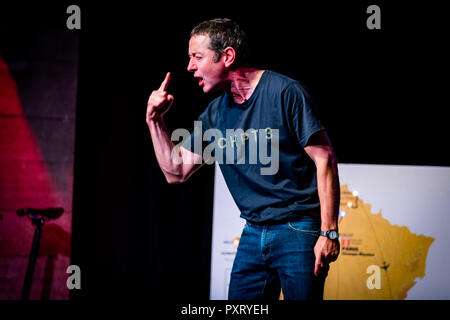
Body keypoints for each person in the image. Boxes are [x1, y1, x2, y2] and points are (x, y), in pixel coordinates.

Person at [146, 18, 340, 300]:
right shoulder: (215, 114)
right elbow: (175, 171)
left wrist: (329, 232)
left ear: (227, 56)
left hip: (297, 229)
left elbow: (325, 160)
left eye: (196, 57)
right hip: (252, 232)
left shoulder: (284, 93)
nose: (189, 67)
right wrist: (154, 120)